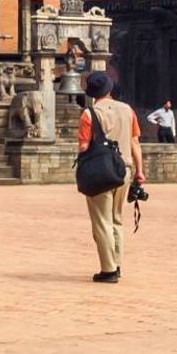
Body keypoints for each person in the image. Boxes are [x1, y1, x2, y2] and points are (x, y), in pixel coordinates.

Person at [77, 72, 144, 283]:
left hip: (101, 172)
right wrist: (140, 172)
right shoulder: (128, 110)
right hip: (124, 170)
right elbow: (135, 143)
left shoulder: (89, 114)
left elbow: (83, 146)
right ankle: (117, 263)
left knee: (101, 221)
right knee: (116, 219)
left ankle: (108, 269)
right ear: (109, 89)